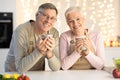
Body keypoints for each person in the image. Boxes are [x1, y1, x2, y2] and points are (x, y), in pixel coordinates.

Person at [5, 3, 60, 73]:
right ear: (37, 15)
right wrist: (39, 51)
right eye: (45, 16)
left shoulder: (54, 33)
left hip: (37, 74)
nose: (48, 21)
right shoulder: (21, 30)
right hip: (14, 74)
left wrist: (49, 53)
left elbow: (56, 68)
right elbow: (20, 69)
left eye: (52, 18)